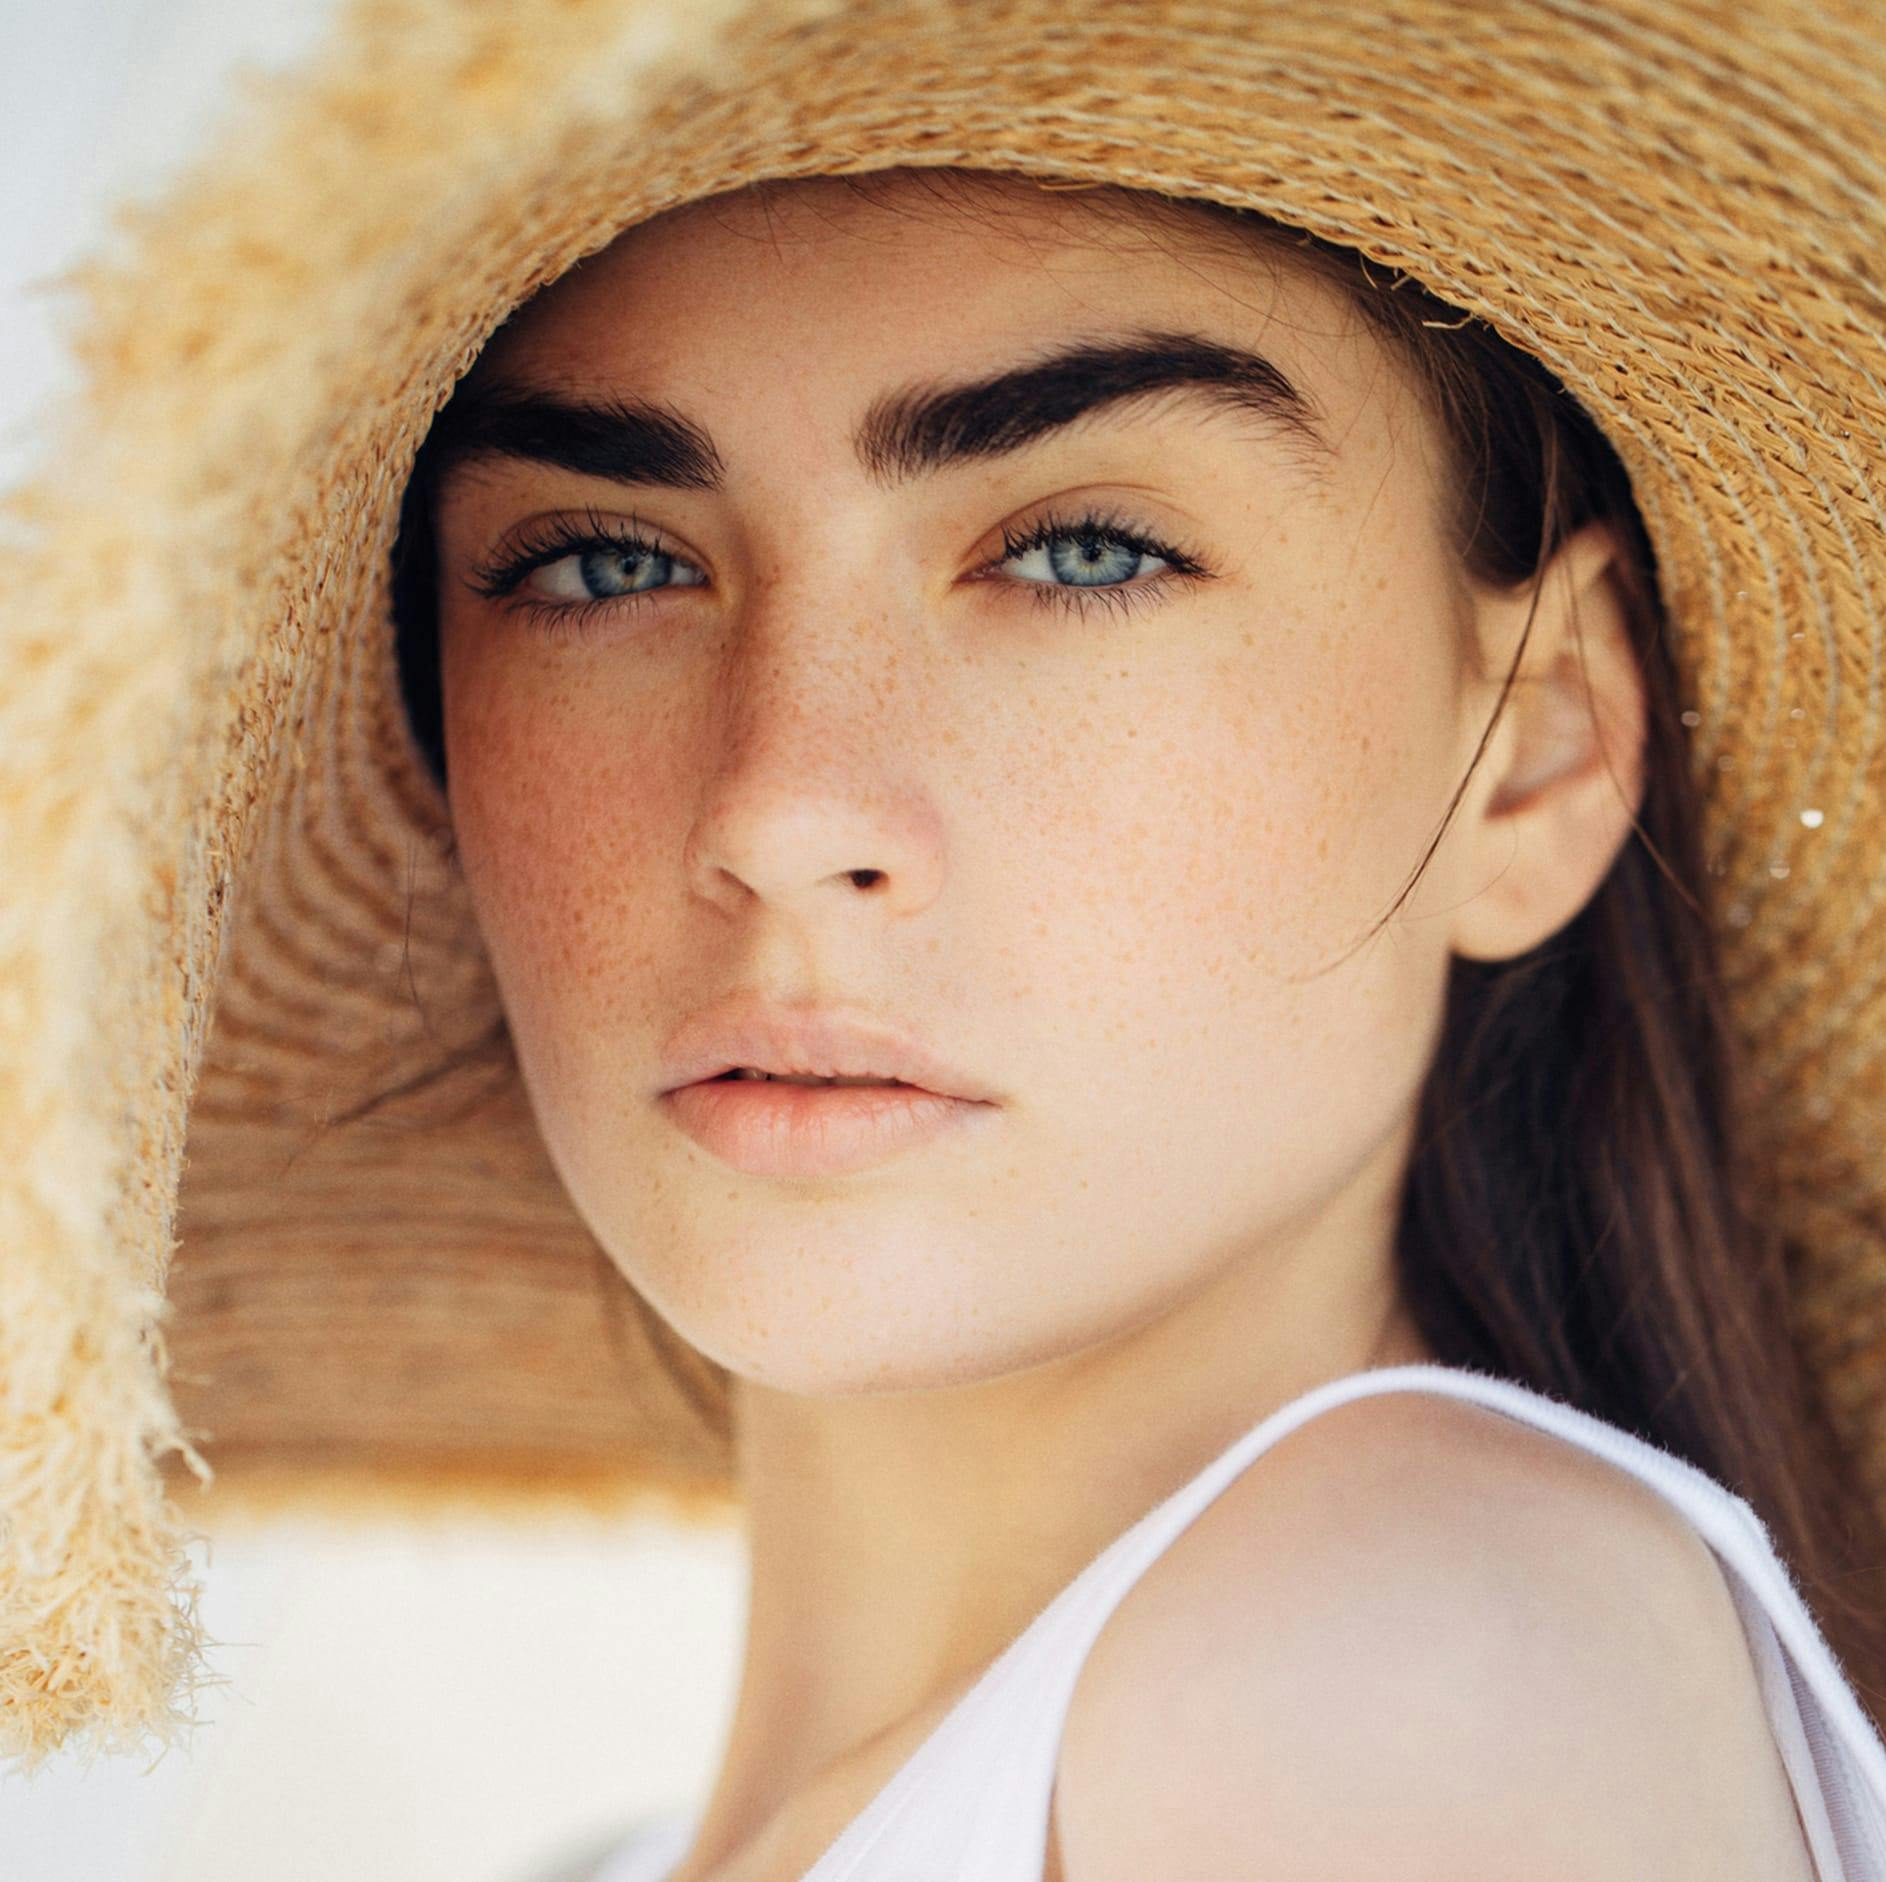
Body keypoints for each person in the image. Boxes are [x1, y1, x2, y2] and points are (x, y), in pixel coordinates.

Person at [5, 3, 1886, 1879]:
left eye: (1081, 551)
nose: (779, 809)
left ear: (1537, 753)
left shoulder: (1398, 1662)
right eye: (607, 561)